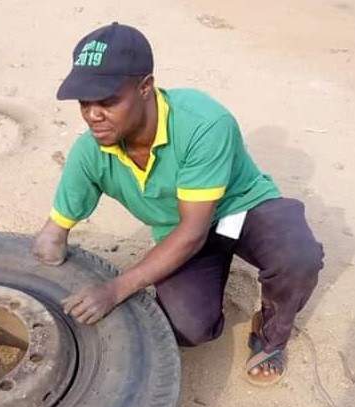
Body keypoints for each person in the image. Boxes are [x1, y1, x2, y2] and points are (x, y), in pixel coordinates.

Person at [33, 22, 324, 386]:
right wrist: (35, 294)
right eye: (84, 102)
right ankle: (211, 271)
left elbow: (192, 232)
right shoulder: (91, 151)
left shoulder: (203, 123)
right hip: (182, 231)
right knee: (188, 328)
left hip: (239, 211)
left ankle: (270, 335)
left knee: (297, 256)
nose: (93, 114)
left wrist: (114, 289)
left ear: (145, 87)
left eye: (107, 100)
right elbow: (52, 235)